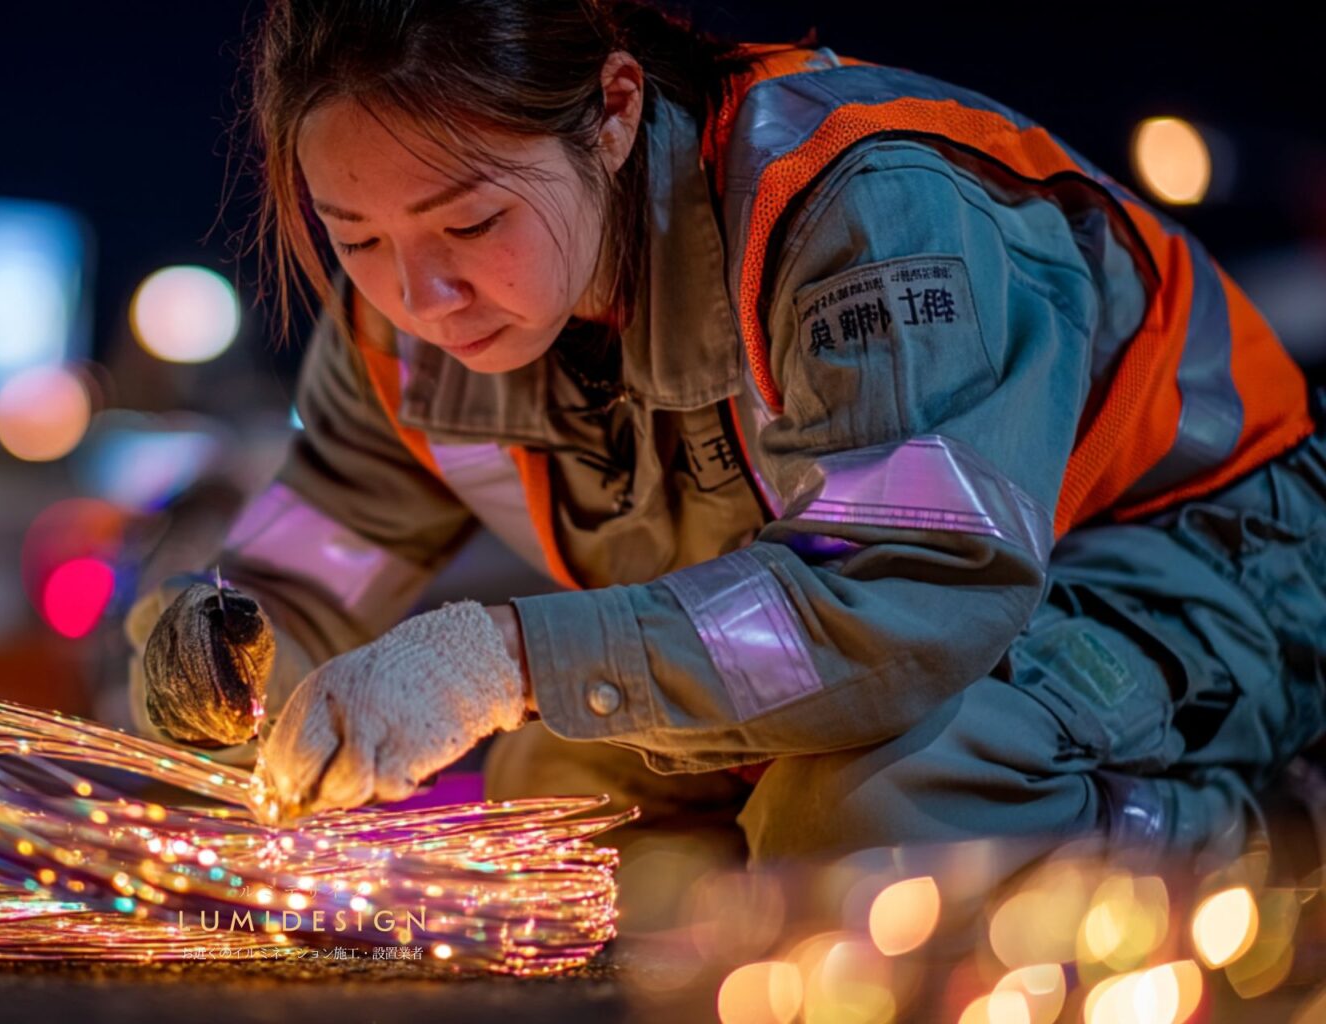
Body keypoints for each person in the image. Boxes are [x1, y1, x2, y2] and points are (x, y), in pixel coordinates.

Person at [126, 0, 1326, 868]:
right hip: (879, 618)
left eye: (472, 220)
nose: (420, 295)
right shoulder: (397, 330)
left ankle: (1270, 839)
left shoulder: (859, 214)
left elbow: (901, 590)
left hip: (1199, 553)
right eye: (358, 237)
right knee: (554, 816)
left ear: (609, 110)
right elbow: (310, 567)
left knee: (871, 823)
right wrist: (218, 655)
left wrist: (508, 659)